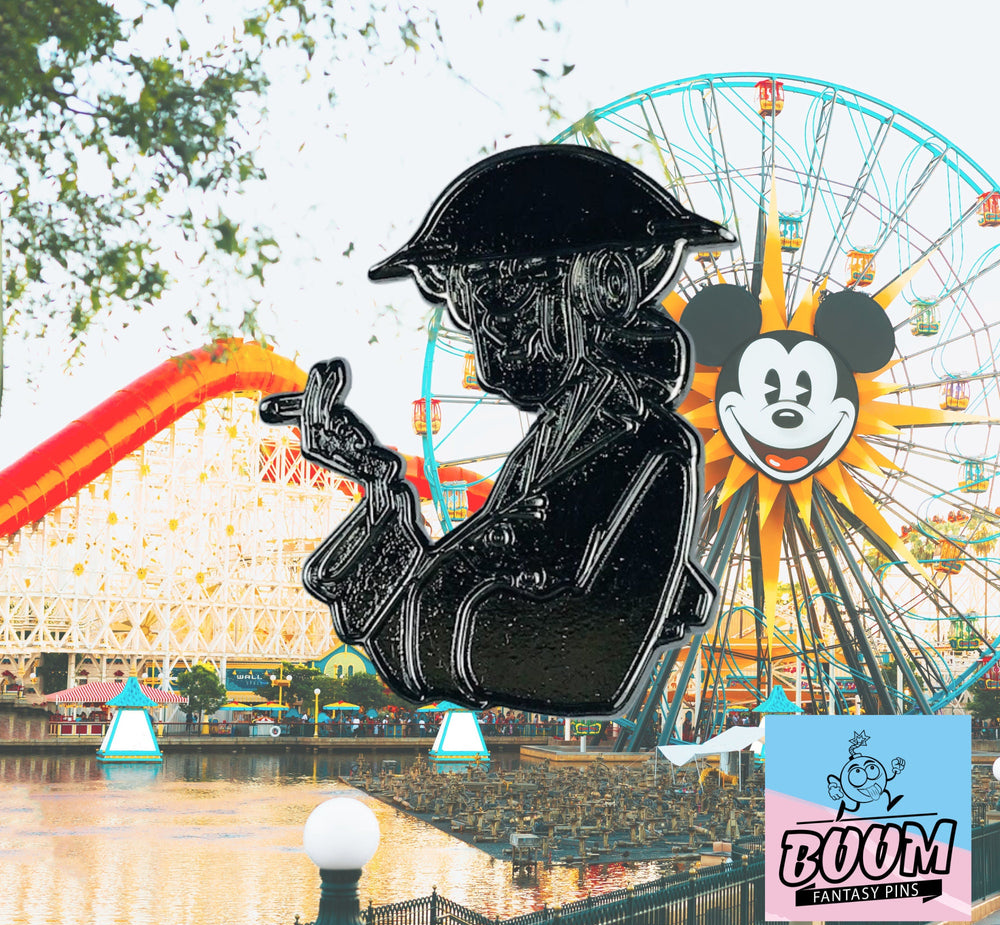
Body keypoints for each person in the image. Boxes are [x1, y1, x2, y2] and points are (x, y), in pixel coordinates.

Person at [262, 145, 733, 717]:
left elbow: (585, 669)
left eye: (501, 304)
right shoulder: (545, 450)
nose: (486, 350)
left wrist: (427, 617)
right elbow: (417, 644)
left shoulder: (647, 451)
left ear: (599, 287)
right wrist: (376, 478)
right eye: (470, 313)